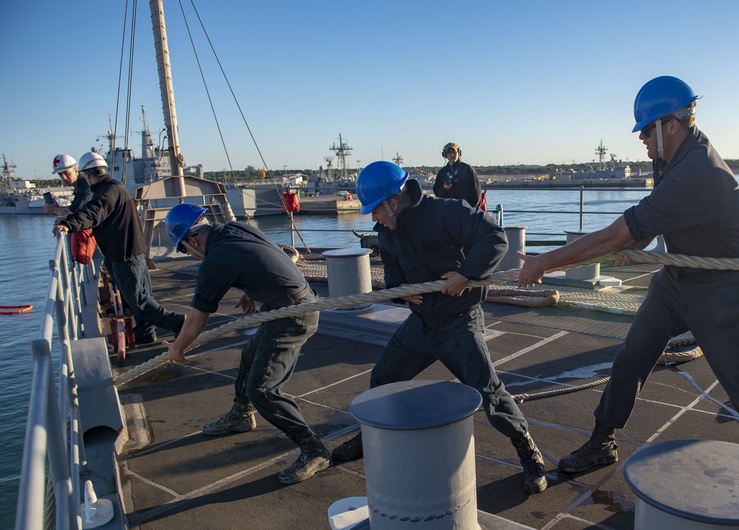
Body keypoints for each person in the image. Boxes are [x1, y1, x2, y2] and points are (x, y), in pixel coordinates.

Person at [516, 76, 739, 530]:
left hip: (719, 291)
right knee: (632, 358)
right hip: (676, 281)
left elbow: (620, 232)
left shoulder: (698, 173)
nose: (639, 138)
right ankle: (602, 441)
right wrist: (632, 243)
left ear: (670, 124)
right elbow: (642, 231)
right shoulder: (671, 156)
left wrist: (546, 262)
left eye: (644, 128)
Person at [329, 161, 548, 495]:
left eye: (375, 210)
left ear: (393, 201)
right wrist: (402, 292)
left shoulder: (447, 212)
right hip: (420, 325)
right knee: (382, 379)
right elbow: (391, 275)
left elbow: (494, 238)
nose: (373, 219)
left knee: (489, 393)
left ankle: (528, 450)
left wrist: (466, 275)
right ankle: (367, 438)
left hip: (459, 323)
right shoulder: (387, 234)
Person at [162, 203, 327, 485]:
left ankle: (314, 450)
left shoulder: (216, 258)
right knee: (250, 354)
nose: (188, 255)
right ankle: (240, 415)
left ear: (191, 240)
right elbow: (266, 256)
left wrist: (177, 349)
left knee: (263, 389)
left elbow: (196, 321)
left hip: (292, 316)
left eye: (184, 250)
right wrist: (252, 293)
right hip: (291, 305)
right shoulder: (235, 229)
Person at [52, 152, 184, 344]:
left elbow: (93, 212)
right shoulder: (111, 188)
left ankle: (177, 323)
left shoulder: (108, 191)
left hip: (125, 254)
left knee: (139, 301)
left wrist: (69, 224)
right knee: (136, 297)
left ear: (87, 175)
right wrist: (69, 219)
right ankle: (145, 333)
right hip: (122, 252)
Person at [433, 142, 483, 209]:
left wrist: (470, 209)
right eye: (449, 152)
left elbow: (476, 191)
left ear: (459, 153)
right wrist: (444, 188)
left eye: (454, 152)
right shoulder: (442, 172)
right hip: (448, 210)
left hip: (465, 211)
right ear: (445, 155)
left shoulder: (467, 169)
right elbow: (437, 192)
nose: (452, 154)